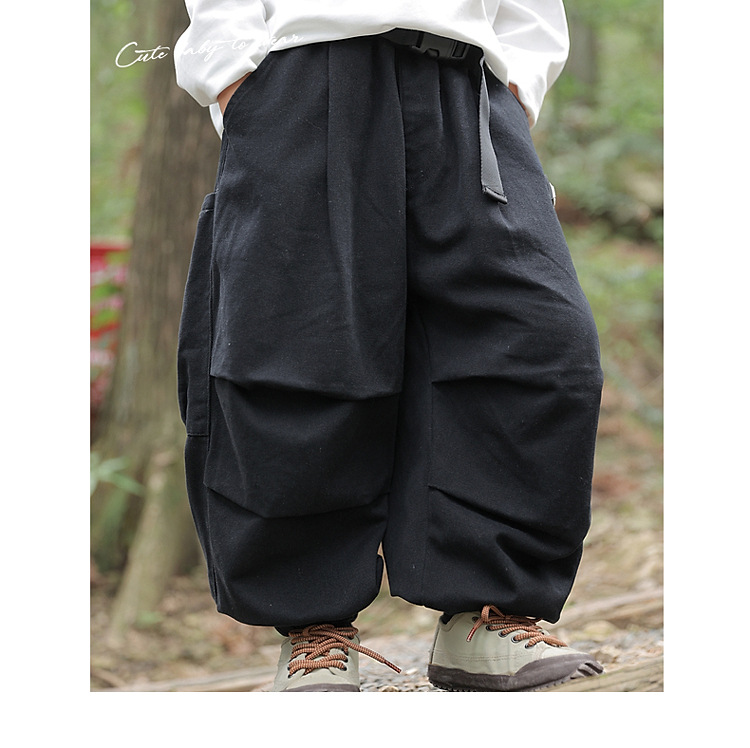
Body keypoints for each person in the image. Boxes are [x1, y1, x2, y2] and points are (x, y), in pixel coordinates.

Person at [174, 0, 605, 692]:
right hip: (303, 80)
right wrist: (237, 83)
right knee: (295, 352)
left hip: (470, 89)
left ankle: (486, 611)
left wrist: (517, 90)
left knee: (538, 347)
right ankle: (313, 629)